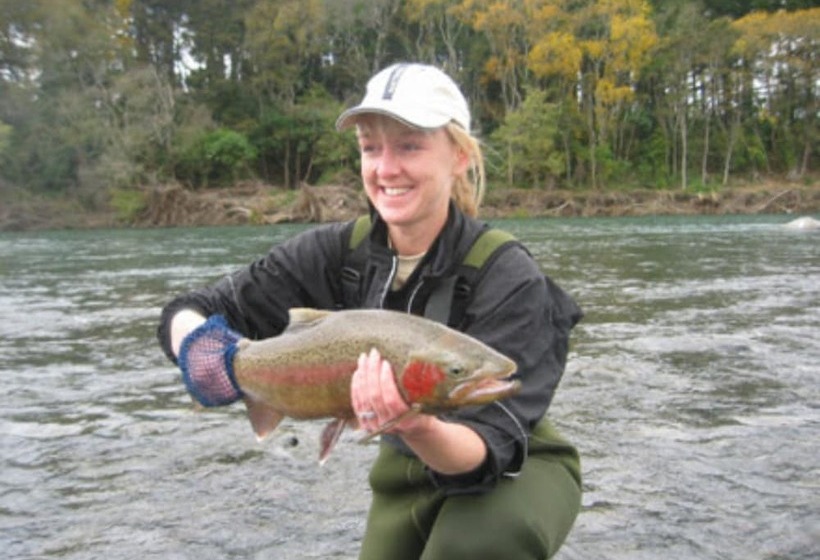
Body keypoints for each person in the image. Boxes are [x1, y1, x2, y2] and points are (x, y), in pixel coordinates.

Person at [157, 62, 582, 559]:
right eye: (370, 148)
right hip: (404, 467)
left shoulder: (508, 275)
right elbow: (192, 309)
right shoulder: (334, 253)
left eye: (410, 145)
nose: (385, 168)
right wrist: (202, 349)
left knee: (471, 545)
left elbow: (491, 448)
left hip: (518, 464)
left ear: (460, 156)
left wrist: (417, 423)